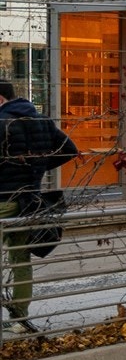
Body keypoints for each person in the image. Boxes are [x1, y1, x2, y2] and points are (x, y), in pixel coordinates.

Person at [0, 81, 78, 334]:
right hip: (27, 201)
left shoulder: (2, 122)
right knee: (20, 259)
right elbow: (69, 150)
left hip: (2, 200)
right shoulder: (40, 120)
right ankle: (19, 319)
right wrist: (38, 167)